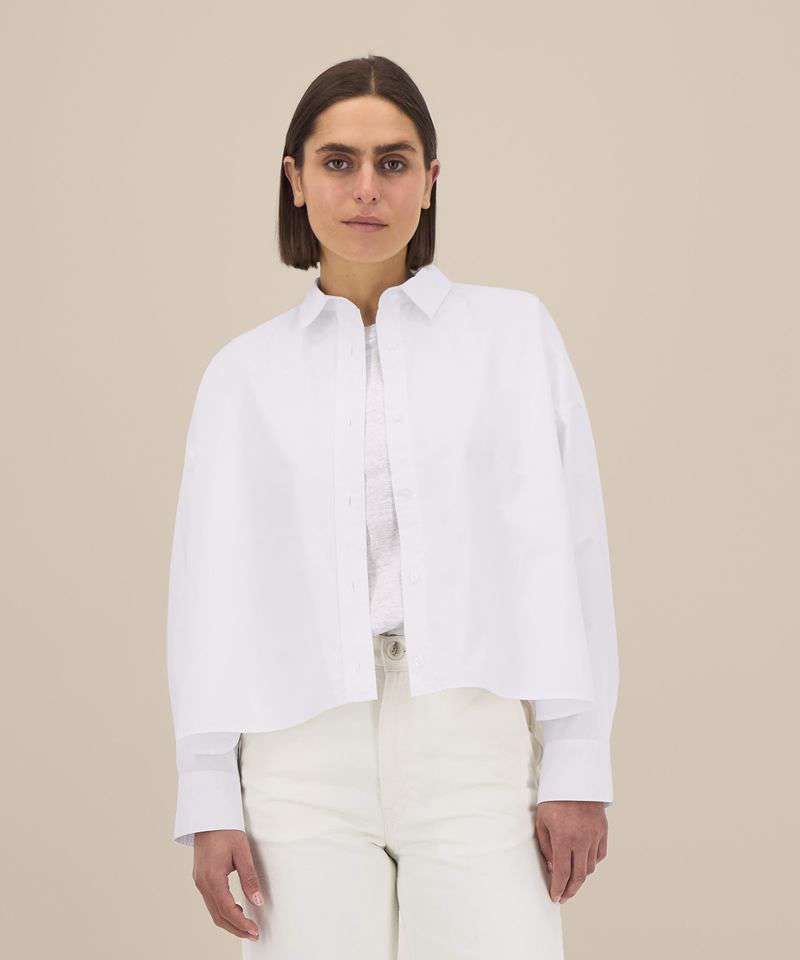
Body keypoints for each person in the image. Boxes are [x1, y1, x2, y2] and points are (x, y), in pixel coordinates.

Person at [166, 54, 620, 959]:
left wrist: (578, 761)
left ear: (430, 179)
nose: (366, 187)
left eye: (393, 162)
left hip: (470, 735)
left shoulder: (514, 337)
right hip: (297, 749)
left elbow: (571, 553)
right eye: (338, 161)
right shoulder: (244, 374)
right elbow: (209, 591)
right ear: (296, 180)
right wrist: (207, 790)